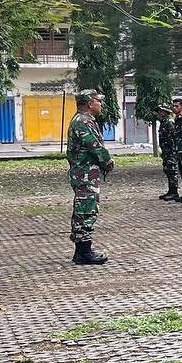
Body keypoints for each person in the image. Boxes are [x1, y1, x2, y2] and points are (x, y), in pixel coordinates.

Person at [68, 89, 114, 265]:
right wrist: (108, 162)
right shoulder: (83, 122)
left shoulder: (83, 120)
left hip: (85, 172)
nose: (100, 104)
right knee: (86, 210)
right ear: (89, 104)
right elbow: (95, 147)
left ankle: (82, 250)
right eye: (97, 101)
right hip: (85, 173)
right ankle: (84, 252)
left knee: (85, 208)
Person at [157, 103, 180, 200]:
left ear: (167, 112)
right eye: (159, 111)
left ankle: (174, 192)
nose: (160, 112)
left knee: (172, 170)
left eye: (162, 111)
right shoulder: (163, 122)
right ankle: (171, 191)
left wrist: (174, 149)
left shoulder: (169, 122)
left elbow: (175, 136)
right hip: (166, 150)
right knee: (168, 170)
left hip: (171, 151)